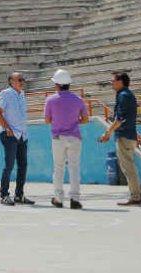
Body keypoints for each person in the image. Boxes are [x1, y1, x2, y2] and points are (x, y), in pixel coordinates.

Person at [98, 71, 141, 206]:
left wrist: (107, 132)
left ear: (120, 82)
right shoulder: (128, 95)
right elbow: (130, 117)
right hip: (129, 134)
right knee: (130, 166)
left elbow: (120, 118)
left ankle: (135, 197)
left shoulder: (123, 96)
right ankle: (140, 195)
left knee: (128, 168)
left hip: (124, 136)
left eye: (113, 81)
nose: (111, 83)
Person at [44, 69, 90, 209]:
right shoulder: (78, 100)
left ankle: (58, 198)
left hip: (58, 138)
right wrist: (74, 122)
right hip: (74, 137)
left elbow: (47, 120)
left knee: (58, 168)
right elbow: (85, 119)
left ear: (57, 84)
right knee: (74, 168)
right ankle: (75, 199)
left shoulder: (50, 100)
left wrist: (58, 121)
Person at [0, 72, 33, 206]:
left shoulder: (22, 94)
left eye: (23, 79)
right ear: (11, 81)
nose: (22, 82)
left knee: (23, 165)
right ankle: (4, 195)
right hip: (9, 134)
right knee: (9, 165)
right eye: (19, 79)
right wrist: (7, 128)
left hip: (22, 135)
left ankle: (19, 195)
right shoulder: (4, 94)